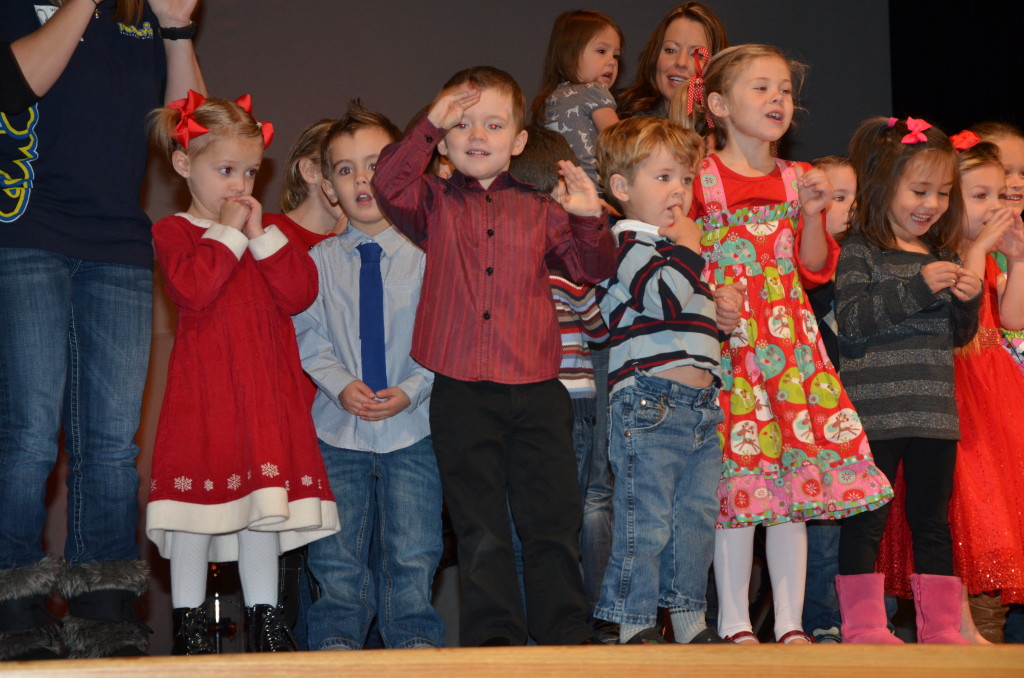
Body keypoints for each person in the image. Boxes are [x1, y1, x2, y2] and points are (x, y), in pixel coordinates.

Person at [371, 66, 616, 646]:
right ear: (445, 140)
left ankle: (564, 633)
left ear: (519, 141)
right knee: (480, 528)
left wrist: (587, 214)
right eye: (462, 123)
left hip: (536, 389)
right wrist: (429, 120)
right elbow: (387, 184)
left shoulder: (541, 209)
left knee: (551, 523)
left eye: (494, 124)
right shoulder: (430, 202)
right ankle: (495, 642)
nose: (477, 134)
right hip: (460, 391)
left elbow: (593, 268)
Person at [0, 0, 203, 660]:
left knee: (113, 440)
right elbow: (18, 80)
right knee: (29, 429)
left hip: (117, 244)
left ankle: (105, 606)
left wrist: (174, 26)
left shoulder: (135, 16)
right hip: (23, 234)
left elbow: (192, 130)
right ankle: (13, 604)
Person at [683, 44, 893, 644]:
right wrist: (712, 298)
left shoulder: (799, 179)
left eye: (784, 90)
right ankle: (733, 622)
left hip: (789, 348)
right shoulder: (701, 178)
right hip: (731, 347)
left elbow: (810, 267)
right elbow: (685, 257)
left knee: (793, 488)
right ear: (719, 104)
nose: (778, 99)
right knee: (737, 482)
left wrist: (810, 214)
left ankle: (794, 625)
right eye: (761, 88)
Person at [145, 91, 339, 655]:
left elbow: (301, 293)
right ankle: (191, 629)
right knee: (191, 517)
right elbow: (194, 288)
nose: (239, 185)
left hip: (261, 397)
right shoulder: (175, 231)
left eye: (250, 172)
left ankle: (267, 624)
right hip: (205, 400)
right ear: (185, 166)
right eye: (224, 170)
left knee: (263, 512)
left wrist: (260, 236)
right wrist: (229, 232)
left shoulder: (266, 232)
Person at [293, 100, 444, 651]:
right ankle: (335, 644)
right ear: (329, 188)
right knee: (334, 553)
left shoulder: (430, 256)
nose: (362, 180)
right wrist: (338, 383)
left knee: (414, 548)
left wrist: (410, 388)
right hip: (338, 431)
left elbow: (443, 331)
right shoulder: (318, 261)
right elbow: (307, 334)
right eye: (345, 169)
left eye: (377, 163)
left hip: (415, 429)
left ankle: (414, 644)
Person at [834, 116, 982, 644]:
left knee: (933, 524)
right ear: (882, 185)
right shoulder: (860, 251)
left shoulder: (941, 255)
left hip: (934, 415)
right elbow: (850, 323)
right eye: (920, 190)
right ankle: (864, 625)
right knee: (866, 521)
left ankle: (940, 627)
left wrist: (969, 299)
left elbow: (957, 336)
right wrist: (919, 288)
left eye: (943, 193)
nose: (933, 204)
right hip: (875, 414)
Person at [591, 115, 737, 645]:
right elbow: (666, 297)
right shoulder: (626, 244)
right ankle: (632, 624)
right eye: (663, 178)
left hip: (700, 407)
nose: (678, 190)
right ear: (622, 188)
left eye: (684, 179)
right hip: (650, 402)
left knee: (695, 519)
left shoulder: (675, 250)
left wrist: (721, 313)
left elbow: (687, 313)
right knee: (646, 520)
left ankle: (689, 620)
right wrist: (692, 247)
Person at [874, 134, 1024, 642]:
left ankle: (979, 624)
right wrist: (982, 249)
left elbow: (1012, 319)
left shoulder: (992, 257)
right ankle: (953, 623)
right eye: (979, 196)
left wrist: (1019, 261)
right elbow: (960, 313)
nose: (993, 208)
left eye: (1000, 196)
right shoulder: (936, 256)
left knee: (990, 515)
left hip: (994, 393)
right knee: (955, 514)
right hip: (950, 393)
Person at [508, 127, 610, 624]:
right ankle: (562, 622)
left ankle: (565, 622)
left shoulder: (550, 267)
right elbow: (598, 326)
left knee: (550, 516)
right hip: (554, 398)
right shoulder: (554, 267)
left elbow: (598, 327)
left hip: (558, 398)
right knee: (555, 516)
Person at [802, 154, 857, 644]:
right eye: (837, 199)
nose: (848, 209)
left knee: (859, 523)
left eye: (853, 199)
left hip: (857, 415)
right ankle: (820, 620)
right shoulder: (806, 270)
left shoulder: (863, 263)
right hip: (811, 417)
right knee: (821, 529)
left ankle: (865, 618)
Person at [531, 10, 622, 186]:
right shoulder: (594, 91)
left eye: (616, 55)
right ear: (570, 53)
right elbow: (620, 143)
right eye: (602, 51)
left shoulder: (549, 99)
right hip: (594, 192)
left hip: (560, 193)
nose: (612, 61)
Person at [616, 2, 727, 119]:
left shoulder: (723, 131)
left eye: (697, 55)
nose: (681, 62)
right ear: (654, 55)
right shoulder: (614, 114)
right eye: (670, 50)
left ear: (716, 67)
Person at [264, 119, 347, 250]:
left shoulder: (363, 239)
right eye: (345, 170)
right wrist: (334, 242)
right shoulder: (267, 230)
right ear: (310, 171)